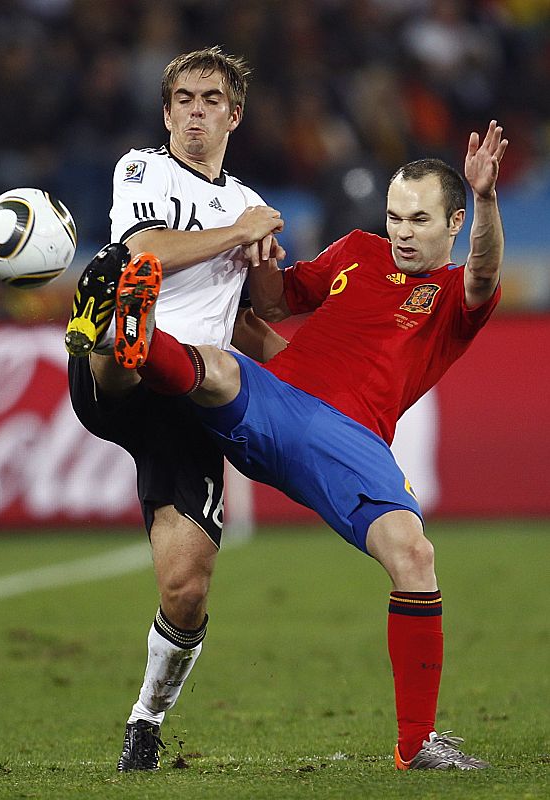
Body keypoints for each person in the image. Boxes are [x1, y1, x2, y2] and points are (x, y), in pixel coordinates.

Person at [106, 120, 508, 770]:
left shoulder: (451, 297)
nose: (402, 231)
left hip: (349, 441)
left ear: (454, 221)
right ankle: (132, 337)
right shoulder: (356, 250)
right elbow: (275, 300)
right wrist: (262, 259)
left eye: (419, 219)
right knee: (225, 364)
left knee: (414, 556)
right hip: (276, 403)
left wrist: (489, 199)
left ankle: (416, 744)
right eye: (394, 217)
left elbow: (487, 272)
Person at [64, 46, 287, 771]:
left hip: (190, 402)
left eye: (209, 99)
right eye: (183, 99)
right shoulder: (142, 169)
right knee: (124, 278)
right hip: (118, 387)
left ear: (234, 114)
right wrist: (240, 232)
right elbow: (145, 247)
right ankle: (118, 336)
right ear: (166, 113)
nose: (195, 111)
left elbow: (246, 321)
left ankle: (146, 720)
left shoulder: (247, 204)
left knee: (186, 588)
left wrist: (311, 375)